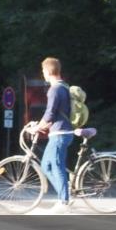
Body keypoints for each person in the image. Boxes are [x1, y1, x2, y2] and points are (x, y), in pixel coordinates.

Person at [33, 57, 74, 213]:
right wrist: (40, 125)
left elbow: (50, 114)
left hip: (60, 133)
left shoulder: (55, 89)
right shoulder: (64, 87)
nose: (43, 74)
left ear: (48, 71)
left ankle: (64, 201)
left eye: (43, 71)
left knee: (57, 166)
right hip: (60, 132)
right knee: (46, 166)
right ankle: (64, 193)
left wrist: (37, 127)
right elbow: (56, 113)